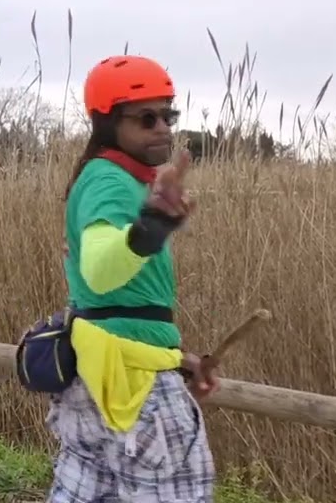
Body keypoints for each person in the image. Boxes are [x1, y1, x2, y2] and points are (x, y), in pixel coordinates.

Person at [48, 55, 221, 502]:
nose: (162, 127)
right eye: (146, 117)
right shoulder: (110, 182)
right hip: (135, 387)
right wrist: (152, 226)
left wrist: (176, 357)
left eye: (168, 115)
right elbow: (102, 272)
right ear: (107, 123)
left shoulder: (109, 179)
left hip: (97, 374)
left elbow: (120, 301)